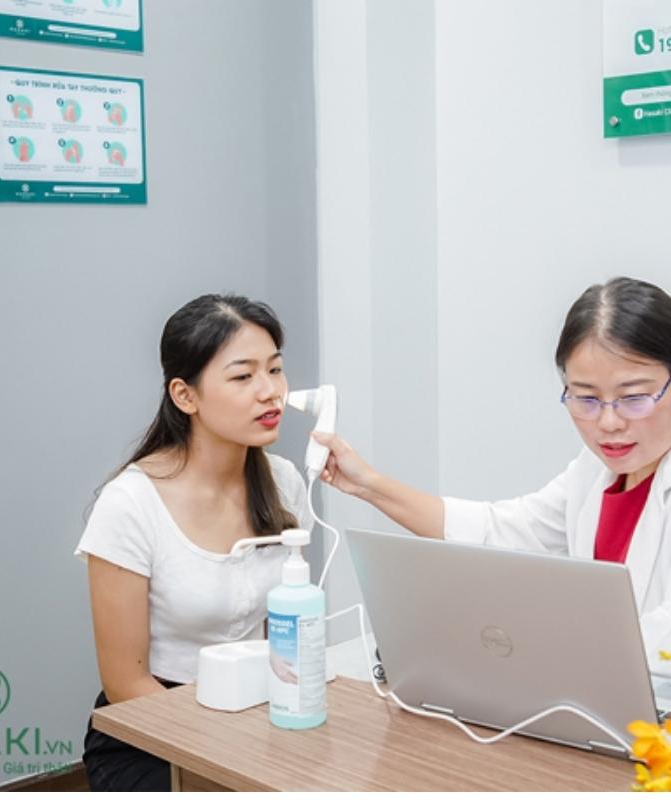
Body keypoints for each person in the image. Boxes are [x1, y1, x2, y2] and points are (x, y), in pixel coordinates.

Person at [313, 276, 671, 676]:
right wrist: (366, 484)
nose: (608, 422)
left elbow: (660, 644)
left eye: (634, 398)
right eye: (585, 398)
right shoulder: (592, 473)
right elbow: (498, 531)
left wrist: (540, 644)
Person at [75, 294, 312, 791]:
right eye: (243, 377)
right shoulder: (130, 505)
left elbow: (282, 630)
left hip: (258, 710)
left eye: (275, 370)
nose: (270, 392)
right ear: (185, 396)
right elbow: (124, 683)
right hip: (153, 728)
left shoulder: (284, 483)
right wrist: (231, 751)